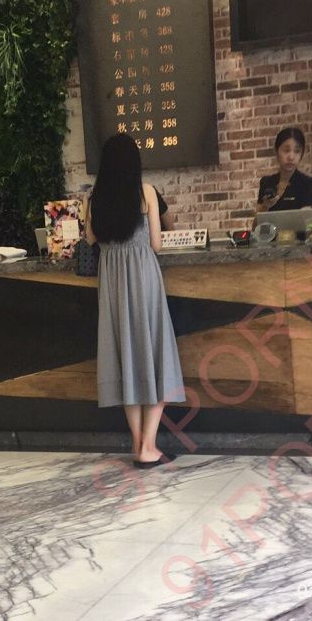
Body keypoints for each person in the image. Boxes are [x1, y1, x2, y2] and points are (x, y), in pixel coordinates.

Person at [85, 134, 185, 469]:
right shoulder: (146, 192)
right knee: (156, 357)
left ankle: (138, 443)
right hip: (143, 280)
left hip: (112, 283)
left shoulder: (93, 199)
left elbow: (90, 238)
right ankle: (148, 447)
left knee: (125, 358)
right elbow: (156, 244)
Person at [257, 127, 312, 213]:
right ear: (276, 152)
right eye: (286, 150)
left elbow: (307, 216)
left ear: (302, 155)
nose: (291, 157)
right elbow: (258, 219)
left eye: (297, 151)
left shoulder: (307, 183)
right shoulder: (266, 182)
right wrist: (265, 206)